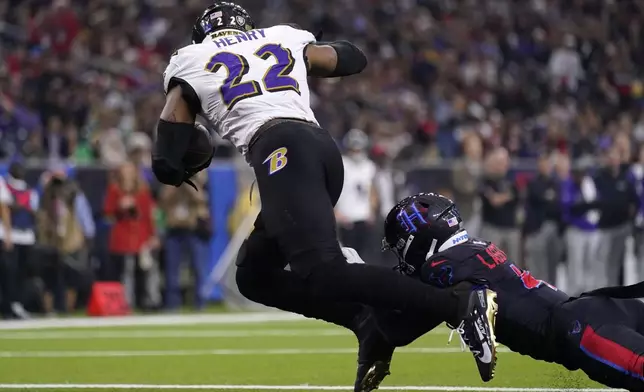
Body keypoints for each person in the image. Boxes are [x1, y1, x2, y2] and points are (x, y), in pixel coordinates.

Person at [150, 2, 498, 390]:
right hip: (319, 151)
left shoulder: (190, 59)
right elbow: (352, 58)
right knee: (254, 275)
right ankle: (366, 324)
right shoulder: (281, 36)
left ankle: (459, 303)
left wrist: (182, 162)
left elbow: (166, 151)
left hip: (282, 151)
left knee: (325, 270)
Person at [368, 192, 644, 392]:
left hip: (578, 328)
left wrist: (358, 278)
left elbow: (400, 329)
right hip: (607, 307)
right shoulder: (475, 247)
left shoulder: (439, 268)